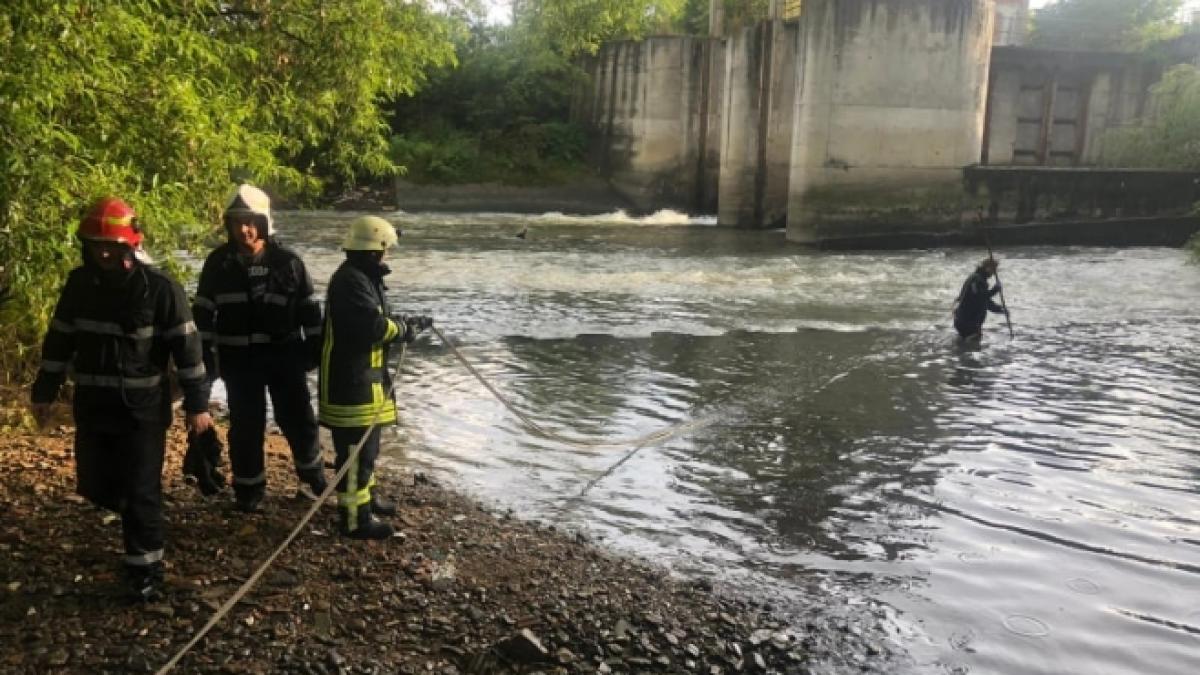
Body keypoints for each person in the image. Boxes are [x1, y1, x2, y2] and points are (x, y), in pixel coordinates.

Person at [30, 196, 213, 602]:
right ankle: (131, 526)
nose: (104, 253)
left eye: (111, 246)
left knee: (140, 490)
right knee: (95, 484)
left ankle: (146, 570)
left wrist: (198, 405)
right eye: (97, 245)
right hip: (94, 407)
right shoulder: (80, 286)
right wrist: (44, 391)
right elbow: (59, 341)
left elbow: (188, 351)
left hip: (142, 412)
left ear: (130, 245)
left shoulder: (160, 290)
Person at [192, 185, 326, 512]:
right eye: (237, 222)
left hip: (285, 360)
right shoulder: (219, 264)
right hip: (239, 364)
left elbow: (311, 314)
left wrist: (312, 355)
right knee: (245, 426)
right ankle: (248, 489)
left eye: (251, 221)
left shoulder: (289, 262)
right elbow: (202, 318)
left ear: (264, 222)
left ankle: (314, 477)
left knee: (298, 420)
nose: (244, 229)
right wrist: (204, 366)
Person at [319, 216, 432, 540]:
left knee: (367, 450)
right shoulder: (351, 281)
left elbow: (377, 316)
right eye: (387, 249)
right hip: (352, 385)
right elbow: (373, 327)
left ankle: (367, 500)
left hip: (364, 382)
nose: (388, 255)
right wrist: (404, 330)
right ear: (375, 249)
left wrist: (406, 320)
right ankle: (355, 520)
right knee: (357, 455)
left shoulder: (362, 277)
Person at [953, 257, 1007, 342]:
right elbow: (980, 297)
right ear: (987, 268)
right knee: (973, 345)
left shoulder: (978, 278)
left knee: (966, 343)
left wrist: (1000, 309)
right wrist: (994, 290)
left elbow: (985, 302)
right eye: (993, 270)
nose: (994, 273)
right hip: (968, 321)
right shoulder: (977, 280)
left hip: (963, 320)